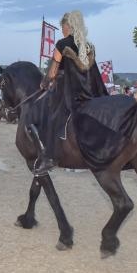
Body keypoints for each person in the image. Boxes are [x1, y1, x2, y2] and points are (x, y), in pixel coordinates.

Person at [28, 10, 107, 176]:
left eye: (63, 26)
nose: (62, 29)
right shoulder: (89, 46)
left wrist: (44, 83)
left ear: (69, 26)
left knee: (50, 115)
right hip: (89, 91)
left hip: (69, 90)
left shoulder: (62, 44)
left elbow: (52, 72)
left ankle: (49, 157)